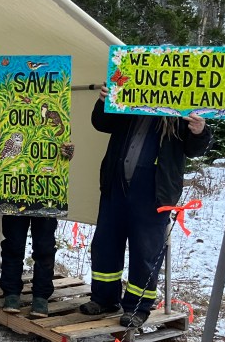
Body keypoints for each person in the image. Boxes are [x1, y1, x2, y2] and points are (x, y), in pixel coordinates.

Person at [80, 84, 211, 328]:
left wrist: (200, 131)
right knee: (105, 245)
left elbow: (195, 150)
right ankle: (104, 299)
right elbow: (101, 123)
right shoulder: (129, 98)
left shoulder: (182, 109)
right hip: (115, 185)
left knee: (145, 252)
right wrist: (104, 102)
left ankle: (137, 307)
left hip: (153, 194)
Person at [0, 135, 74, 318]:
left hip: (46, 192)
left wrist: (67, 152)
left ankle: (41, 296)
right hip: (15, 189)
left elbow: (61, 153)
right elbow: (6, 151)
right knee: (13, 244)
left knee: (45, 246)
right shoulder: (12, 119)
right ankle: (11, 293)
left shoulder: (55, 120)